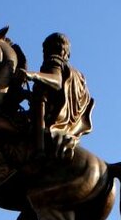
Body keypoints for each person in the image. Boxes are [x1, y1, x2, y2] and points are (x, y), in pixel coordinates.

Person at [25, 33, 94, 161]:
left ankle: (37, 153)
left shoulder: (54, 61)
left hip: (50, 121)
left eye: (45, 50)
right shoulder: (79, 75)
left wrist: (32, 75)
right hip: (70, 124)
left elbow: (56, 81)